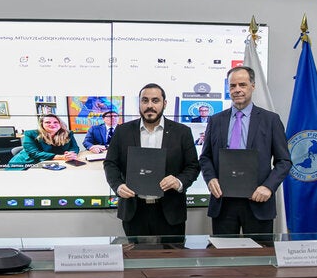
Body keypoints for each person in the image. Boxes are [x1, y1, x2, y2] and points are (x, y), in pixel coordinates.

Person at [199, 66, 291, 236]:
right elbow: (205, 157)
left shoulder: (270, 120)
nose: (237, 90)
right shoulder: (216, 120)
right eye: (232, 86)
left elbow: (284, 161)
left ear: (253, 86)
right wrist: (210, 178)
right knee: (224, 258)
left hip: (258, 202)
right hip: (223, 203)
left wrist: (268, 188)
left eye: (242, 84)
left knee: (260, 259)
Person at [104, 83, 200, 236]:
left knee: (172, 258)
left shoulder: (182, 132)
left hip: (170, 211)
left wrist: (179, 181)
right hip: (134, 211)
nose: (150, 105)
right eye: (145, 100)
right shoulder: (123, 131)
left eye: (155, 101)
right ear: (139, 103)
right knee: (136, 258)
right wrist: (118, 186)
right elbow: (110, 164)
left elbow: (193, 166)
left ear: (164, 103)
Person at [7, 114, 79, 168]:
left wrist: (70, 153)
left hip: (52, 163)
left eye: (55, 122)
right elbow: (34, 153)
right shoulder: (30, 134)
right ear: (42, 124)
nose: (52, 124)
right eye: (48, 122)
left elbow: (75, 147)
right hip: (26, 163)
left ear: (60, 124)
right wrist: (61, 157)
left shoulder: (68, 134)